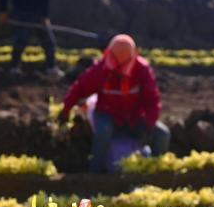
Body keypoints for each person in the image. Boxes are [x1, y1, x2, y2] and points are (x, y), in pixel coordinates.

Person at [59, 34, 170, 174]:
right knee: (103, 132)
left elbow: (152, 100)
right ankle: (94, 173)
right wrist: (66, 109)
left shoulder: (142, 70)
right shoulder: (101, 69)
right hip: (107, 115)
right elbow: (79, 88)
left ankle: (155, 172)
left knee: (162, 134)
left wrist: (150, 123)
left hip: (134, 118)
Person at [0, 0, 64, 78]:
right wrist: (3, 10)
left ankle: (51, 67)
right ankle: (14, 68)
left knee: (48, 40)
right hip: (20, 12)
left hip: (38, 12)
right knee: (21, 40)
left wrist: (44, 15)